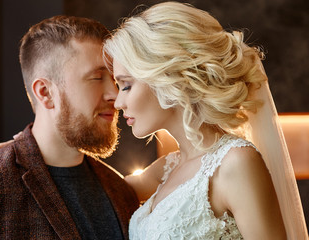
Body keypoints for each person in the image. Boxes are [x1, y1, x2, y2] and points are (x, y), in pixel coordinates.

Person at [104, 1, 307, 239]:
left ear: (168, 77)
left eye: (126, 85)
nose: (117, 103)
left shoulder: (235, 162)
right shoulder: (164, 169)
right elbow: (97, 191)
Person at [0, 16, 139, 239]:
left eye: (115, 80)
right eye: (97, 78)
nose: (115, 95)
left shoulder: (120, 190)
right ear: (46, 93)